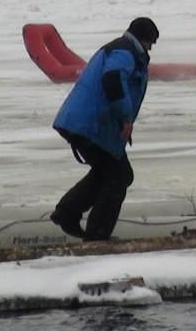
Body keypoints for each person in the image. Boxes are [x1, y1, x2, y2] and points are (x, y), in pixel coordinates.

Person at [49, 17, 159, 241]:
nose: (150, 49)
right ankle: (97, 235)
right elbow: (112, 80)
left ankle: (67, 213)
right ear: (145, 39)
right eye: (151, 44)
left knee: (110, 173)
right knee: (117, 177)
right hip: (90, 125)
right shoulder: (124, 53)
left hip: (87, 124)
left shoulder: (121, 49)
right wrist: (126, 117)